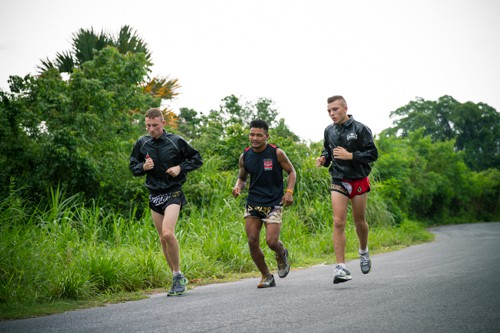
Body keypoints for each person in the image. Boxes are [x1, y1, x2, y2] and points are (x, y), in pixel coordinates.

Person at [129, 108, 203, 296]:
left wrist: (180, 167)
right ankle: (175, 277)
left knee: (168, 233)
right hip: (154, 194)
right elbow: (133, 166)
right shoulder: (142, 142)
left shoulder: (175, 141)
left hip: (173, 192)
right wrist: (142, 167)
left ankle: (178, 275)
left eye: (154, 125)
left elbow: (197, 159)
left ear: (163, 123)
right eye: (148, 125)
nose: (151, 129)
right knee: (162, 238)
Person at [316, 95, 378, 284]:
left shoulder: (360, 128)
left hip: (358, 178)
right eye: (329, 111)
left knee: (359, 222)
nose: (331, 114)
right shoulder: (329, 130)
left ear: (345, 108)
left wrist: (350, 155)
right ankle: (341, 267)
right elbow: (328, 150)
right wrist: (323, 158)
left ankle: (363, 251)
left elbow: (373, 154)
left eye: (335, 109)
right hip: (339, 178)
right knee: (338, 221)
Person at [232, 119, 296, 288]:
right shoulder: (245, 156)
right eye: (252, 134)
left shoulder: (276, 153)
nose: (255, 138)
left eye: (259, 135)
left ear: (266, 136)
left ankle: (282, 253)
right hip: (253, 202)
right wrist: (238, 186)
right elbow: (242, 177)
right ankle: (266, 275)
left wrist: (289, 192)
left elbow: (291, 171)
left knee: (271, 242)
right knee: (252, 240)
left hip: (273, 202)